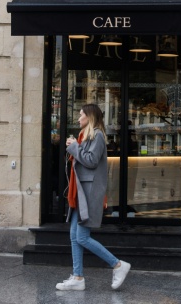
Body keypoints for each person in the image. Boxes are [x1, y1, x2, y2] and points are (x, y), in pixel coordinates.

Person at [55, 104, 131, 291]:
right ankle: (78, 277)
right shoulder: (86, 136)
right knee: (74, 236)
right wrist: (76, 146)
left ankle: (118, 265)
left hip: (88, 192)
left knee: (82, 237)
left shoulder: (97, 135)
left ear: (89, 117)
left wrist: (74, 148)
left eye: (81, 115)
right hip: (80, 191)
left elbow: (90, 160)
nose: (78, 118)